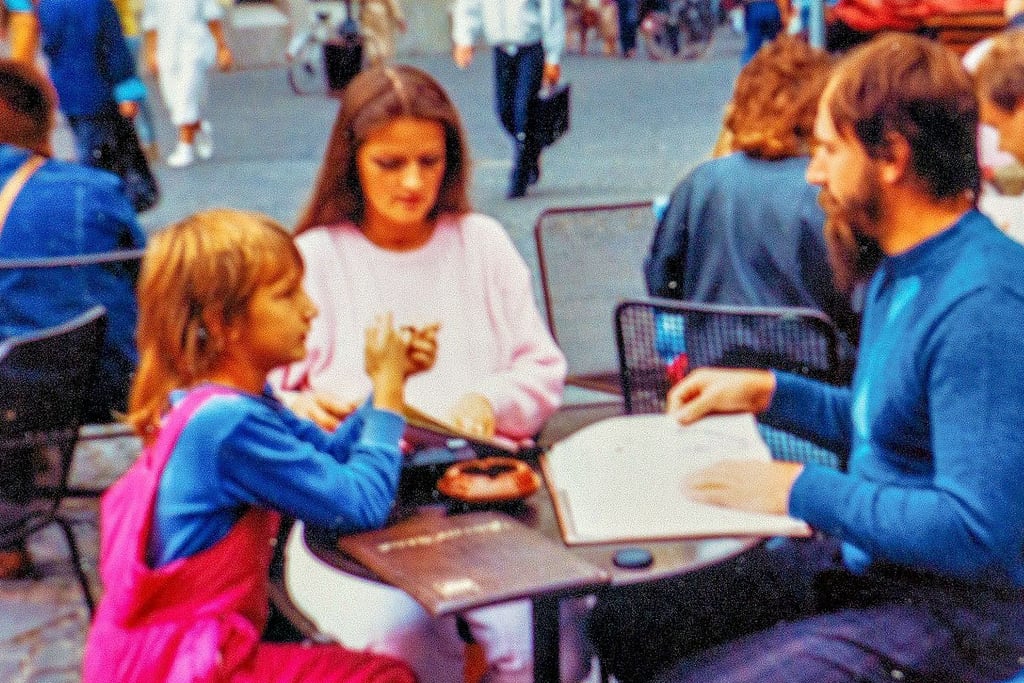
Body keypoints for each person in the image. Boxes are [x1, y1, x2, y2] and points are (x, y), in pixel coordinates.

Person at [587, 33, 1024, 683]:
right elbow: (890, 427)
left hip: (957, 618)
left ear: (892, 157)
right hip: (874, 571)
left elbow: (975, 526)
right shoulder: (900, 264)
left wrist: (797, 488)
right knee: (628, 615)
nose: (813, 172)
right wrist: (770, 392)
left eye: (825, 150)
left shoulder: (982, 302)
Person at [273, 65, 583, 683]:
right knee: (397, 644)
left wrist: (489, 400)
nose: (413, 183)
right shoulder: (317, 256)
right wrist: (304, 409)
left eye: (429, 162)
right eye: (390, 164)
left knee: (546, 652)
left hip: (483, 496)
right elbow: (276, 390)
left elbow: (543, 369)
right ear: (352, 161)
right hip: (360, 511)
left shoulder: (481, 242)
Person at [81, 208, 427, 683]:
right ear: (223, 322)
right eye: (287, 295)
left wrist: (386, 387)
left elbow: (328, 459)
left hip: (162, 652)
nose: (310, 309)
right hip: (184, 665)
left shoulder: (223, 401)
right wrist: (387, 394)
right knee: (382, 677)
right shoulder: (226, 423)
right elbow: (361, 504)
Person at [0, 59, 144, 576]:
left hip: (11, 404)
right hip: (108, 386)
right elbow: (140, 282)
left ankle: (7, 530)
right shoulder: (95, 190)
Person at [646, 36, 858, 347]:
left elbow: (662, 285)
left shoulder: (700, 181)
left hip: (713, 374)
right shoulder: (822, 190)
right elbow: (851, 303)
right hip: (811, 376)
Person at [451, 0, 566, 198]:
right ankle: (531, 148)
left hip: (530, 46)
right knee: (504, 110)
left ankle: (519, 174)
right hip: (501, 48)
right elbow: (469, 5)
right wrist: (464, 39)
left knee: (525, 109)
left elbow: (551, 11)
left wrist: (552, 57)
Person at [141, 0, 233, 168]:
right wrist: (151, 52)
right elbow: (151, 23)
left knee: (186, 96)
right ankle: (197, 125)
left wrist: (222, 48)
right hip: (167, 49)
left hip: (194, 47)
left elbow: (212, 17)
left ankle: (185, 148)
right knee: (172, 101)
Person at [113, 0, 159, 160]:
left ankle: (146, 141)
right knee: (128, 90)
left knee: (130, 90)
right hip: (116, 36)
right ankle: (143, 141)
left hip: (124, 36)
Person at [360, 0, 407, 67]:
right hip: (367, 17)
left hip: (381, 17)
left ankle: (382, 70)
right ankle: (376, 69)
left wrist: (399, 18)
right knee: (371, 50)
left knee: (382, 51)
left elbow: (392, 2)